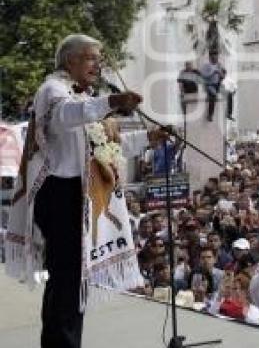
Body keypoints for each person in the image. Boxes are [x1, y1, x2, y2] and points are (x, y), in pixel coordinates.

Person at [5, 34, 150, 348]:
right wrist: (113, 102)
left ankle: (64, 342)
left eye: (98, 59)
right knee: (67, 279)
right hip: (58, 195)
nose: (98, 65)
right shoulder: (52, 90)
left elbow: (109, 147)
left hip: (76, 196)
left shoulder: (85, 99)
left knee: (71, 280)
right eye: (91, 58)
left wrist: (149, 139)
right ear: (70, 60)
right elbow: (65, 117)